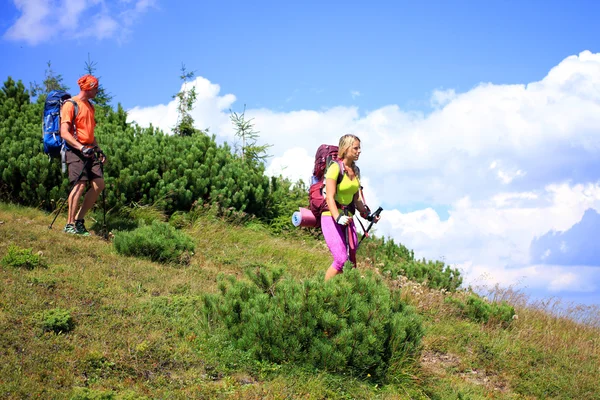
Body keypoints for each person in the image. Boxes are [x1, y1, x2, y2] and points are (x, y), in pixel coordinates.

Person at [322, 134, 377, 281]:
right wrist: (337, 217)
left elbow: (357, 199)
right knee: (340, 260)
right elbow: (329, 196)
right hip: (330, 217)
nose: (359, 151)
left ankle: (347, 293)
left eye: (359, 148)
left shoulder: (356, 171)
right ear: (346, 149)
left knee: (351, 262)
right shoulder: (334, 168)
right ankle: (322, 292)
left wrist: (368, 215)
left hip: (348, 218)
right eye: (356, 148)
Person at [60, 74, 106, 236]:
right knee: (79, 185)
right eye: (95, 88)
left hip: (89, 150)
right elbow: (64, 133)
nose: (97, 91)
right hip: (75, 150)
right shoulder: (70, 104)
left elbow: (89, 134)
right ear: (87, 87)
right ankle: (69, 224)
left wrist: (98, 149)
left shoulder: (90, 107)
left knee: (99, 184)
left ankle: (79, 220)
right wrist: (80, 147)